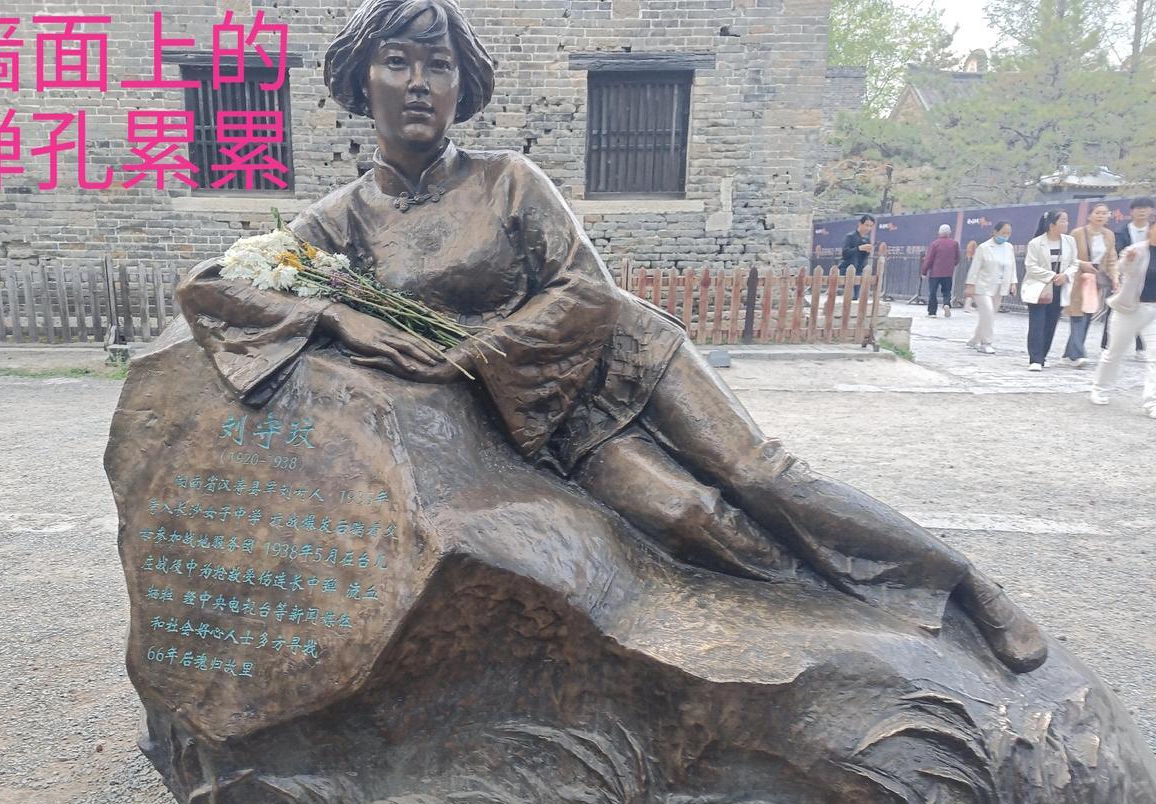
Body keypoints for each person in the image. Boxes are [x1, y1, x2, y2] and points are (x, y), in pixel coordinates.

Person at [175, 0, 1047, 673]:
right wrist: (333, 312)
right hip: (547, 420)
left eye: (437, 65)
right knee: (688, 517)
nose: (417, 83)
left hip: (621, 356)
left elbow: (587, 287)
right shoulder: (339, 223)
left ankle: (963, 587)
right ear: (359, 78)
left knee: (760, 474)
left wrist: (477, 351)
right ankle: (838, 610)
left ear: (460, 86)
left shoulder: (509, 179)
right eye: (396, 61)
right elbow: (212, 287)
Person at [1090, 218, 1156, 416]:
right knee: (1114, 352)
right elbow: (1121, 269)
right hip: (1130, 308)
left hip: (1154, 310)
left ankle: (1152, 402)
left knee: (1154, 358)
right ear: (1150, 230)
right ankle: (1100, 388)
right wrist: (1129, 260)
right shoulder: (1137, 250)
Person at [1021, 210, 1078, 371]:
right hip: (1039, 287)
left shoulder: (1069, 241)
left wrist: (1065, 275)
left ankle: (1043, 355)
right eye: (1063, 220)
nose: (1066, 223)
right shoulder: (1036, 243)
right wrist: (1052, 276)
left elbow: (1075, 263)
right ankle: (1035, 358)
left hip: (1059, 287)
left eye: (1066, 220)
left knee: (1051, 323)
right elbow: (1031, 266)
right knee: (1037, 323)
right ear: (1052, 225)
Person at [1062, 202, 1117, 367]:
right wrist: (1081, 264)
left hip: (1096, 280)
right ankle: (1078, 354)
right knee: (1077, 315)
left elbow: (1111, 258)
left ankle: (1069, 354)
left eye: (1104, 213)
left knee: (1087, 315)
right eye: (1097, 212)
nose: (1101, 216)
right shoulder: (1078, 233)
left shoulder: (1109, 235)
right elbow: (1068, 255)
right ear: (1089, 215)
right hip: (1078, 278)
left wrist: (1115, 277)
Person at [963, 221, 1018, 354]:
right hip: (982, 286)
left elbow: (1012, 267)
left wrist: (1013, 283)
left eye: (1008, 233)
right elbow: (975, 268)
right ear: (995, 232)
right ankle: (986, 343)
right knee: (987, 312)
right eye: (1003, 233)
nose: (1006, 236)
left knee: (988, 315)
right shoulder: (984, 248)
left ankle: (975, 339)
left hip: (1000, 286)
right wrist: (970, 285)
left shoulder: (1009, 248)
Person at [1109, 196, 1153, 360]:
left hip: (1149, 279)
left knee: (1146, 311)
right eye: (1138, 208)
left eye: (1146, 208)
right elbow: (1117, 253)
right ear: (1132, 211)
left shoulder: (1153, 230)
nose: (1142, 211)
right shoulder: (1122, 231)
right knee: (1119, 309)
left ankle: (1141, 347)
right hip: (1126, 276)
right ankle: (1109, 344)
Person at [922, 224, 961, 317]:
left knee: (933, 292)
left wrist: (924, 271)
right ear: (949, 233)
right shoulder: (954, 244)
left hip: (935, 273)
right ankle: (946, 304)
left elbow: (929, 259)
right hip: (948, 273)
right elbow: (957, 258)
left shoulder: (935, 244)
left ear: (939, 232)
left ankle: (932, 312)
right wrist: (951, 265)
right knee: (947, 291)